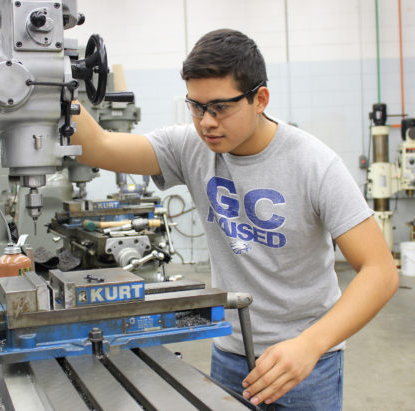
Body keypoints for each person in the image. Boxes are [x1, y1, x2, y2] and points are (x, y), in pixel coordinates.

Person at [71, 28, 398, 409]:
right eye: (196, 106)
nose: (206, 122)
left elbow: (379, 270)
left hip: (306, 362)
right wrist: (51, 90)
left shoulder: (314, 164)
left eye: (220, 107)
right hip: (230, 352)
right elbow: (98, 146)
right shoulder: (189, 147)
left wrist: (311, 344)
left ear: (260, 99)